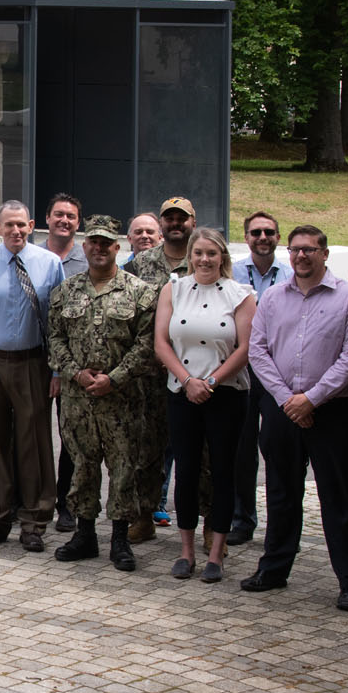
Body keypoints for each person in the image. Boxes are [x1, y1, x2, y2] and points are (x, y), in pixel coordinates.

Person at [243, 224, 348, 611]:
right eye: (296, 249)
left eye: (310, 250)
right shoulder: (272, 299)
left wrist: (311, 399)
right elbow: (257, 350)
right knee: (282, 494)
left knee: (337, 497)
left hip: (329, 411)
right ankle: (274, 569)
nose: (302, 256)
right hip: (283, 410)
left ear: (325, 254)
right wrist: (288, 400)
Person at [46, 214, 158, 570]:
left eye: (105, 242)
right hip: (78, 400)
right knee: (82, 466)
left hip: (122, 399)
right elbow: (54, 339)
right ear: (85, 246)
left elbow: (146, 344)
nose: (98, 248)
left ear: (117, 247)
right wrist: (76, 374)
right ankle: (85, 534)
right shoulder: (65, 291)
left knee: (124, 469)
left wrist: (115, 378)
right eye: (92, 241)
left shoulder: (141, 292)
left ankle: (121, 539)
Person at [153, 228, 257, 582]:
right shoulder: (174, 289)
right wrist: (188, 381)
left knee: (223, 472)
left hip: (225, 394)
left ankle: (215, 554)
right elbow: (161, 342)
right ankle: (185, 551)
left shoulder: (240, 295)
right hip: (182, 392)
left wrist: (210, 381)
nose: (204, 259)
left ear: (222, 257)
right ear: (190, 255)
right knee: (186, 469)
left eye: (211, 253)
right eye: (198, 252)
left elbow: (245, 347)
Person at [0, 201, 64, 551]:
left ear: (32, 225)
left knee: (33, 443)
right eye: (8, 225)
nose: (15, 231)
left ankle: (34, 521)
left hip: (33, 363)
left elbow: (57, 323)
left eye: (21, 225)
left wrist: (56, 370)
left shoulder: (50, 264)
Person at [124, 196, 196, 542]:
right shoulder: (142, 264)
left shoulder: (205, 259)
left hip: (197, 371)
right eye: (169, 218)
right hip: (150, 375)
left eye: (182, 218)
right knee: (146, 449)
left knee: (200, 451)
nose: (175, 224)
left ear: (193, 223)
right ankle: (143, 515)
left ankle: (205, 523)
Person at [228, 210, 292, 544]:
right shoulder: (232, 272)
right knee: (242, 448)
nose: (262, 238)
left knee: (277, 446)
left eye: (269, 232)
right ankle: (242, 519)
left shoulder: (293, 274)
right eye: (256, 233)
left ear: (278, 237)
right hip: (240, 368)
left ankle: (280, 522)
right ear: (247, 237)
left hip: (279, 371)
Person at [34, 193, 88, 530]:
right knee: (32, 433)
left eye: (70, 216)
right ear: (47, 219)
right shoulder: (32, 256)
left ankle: (67, 502)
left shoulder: (88, 260)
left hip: (72, 365)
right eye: (58, 215)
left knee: (71, 437)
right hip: (31, 359)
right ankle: (34, 498)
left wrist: (60, 369)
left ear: (77, 222)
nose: (64, 220)